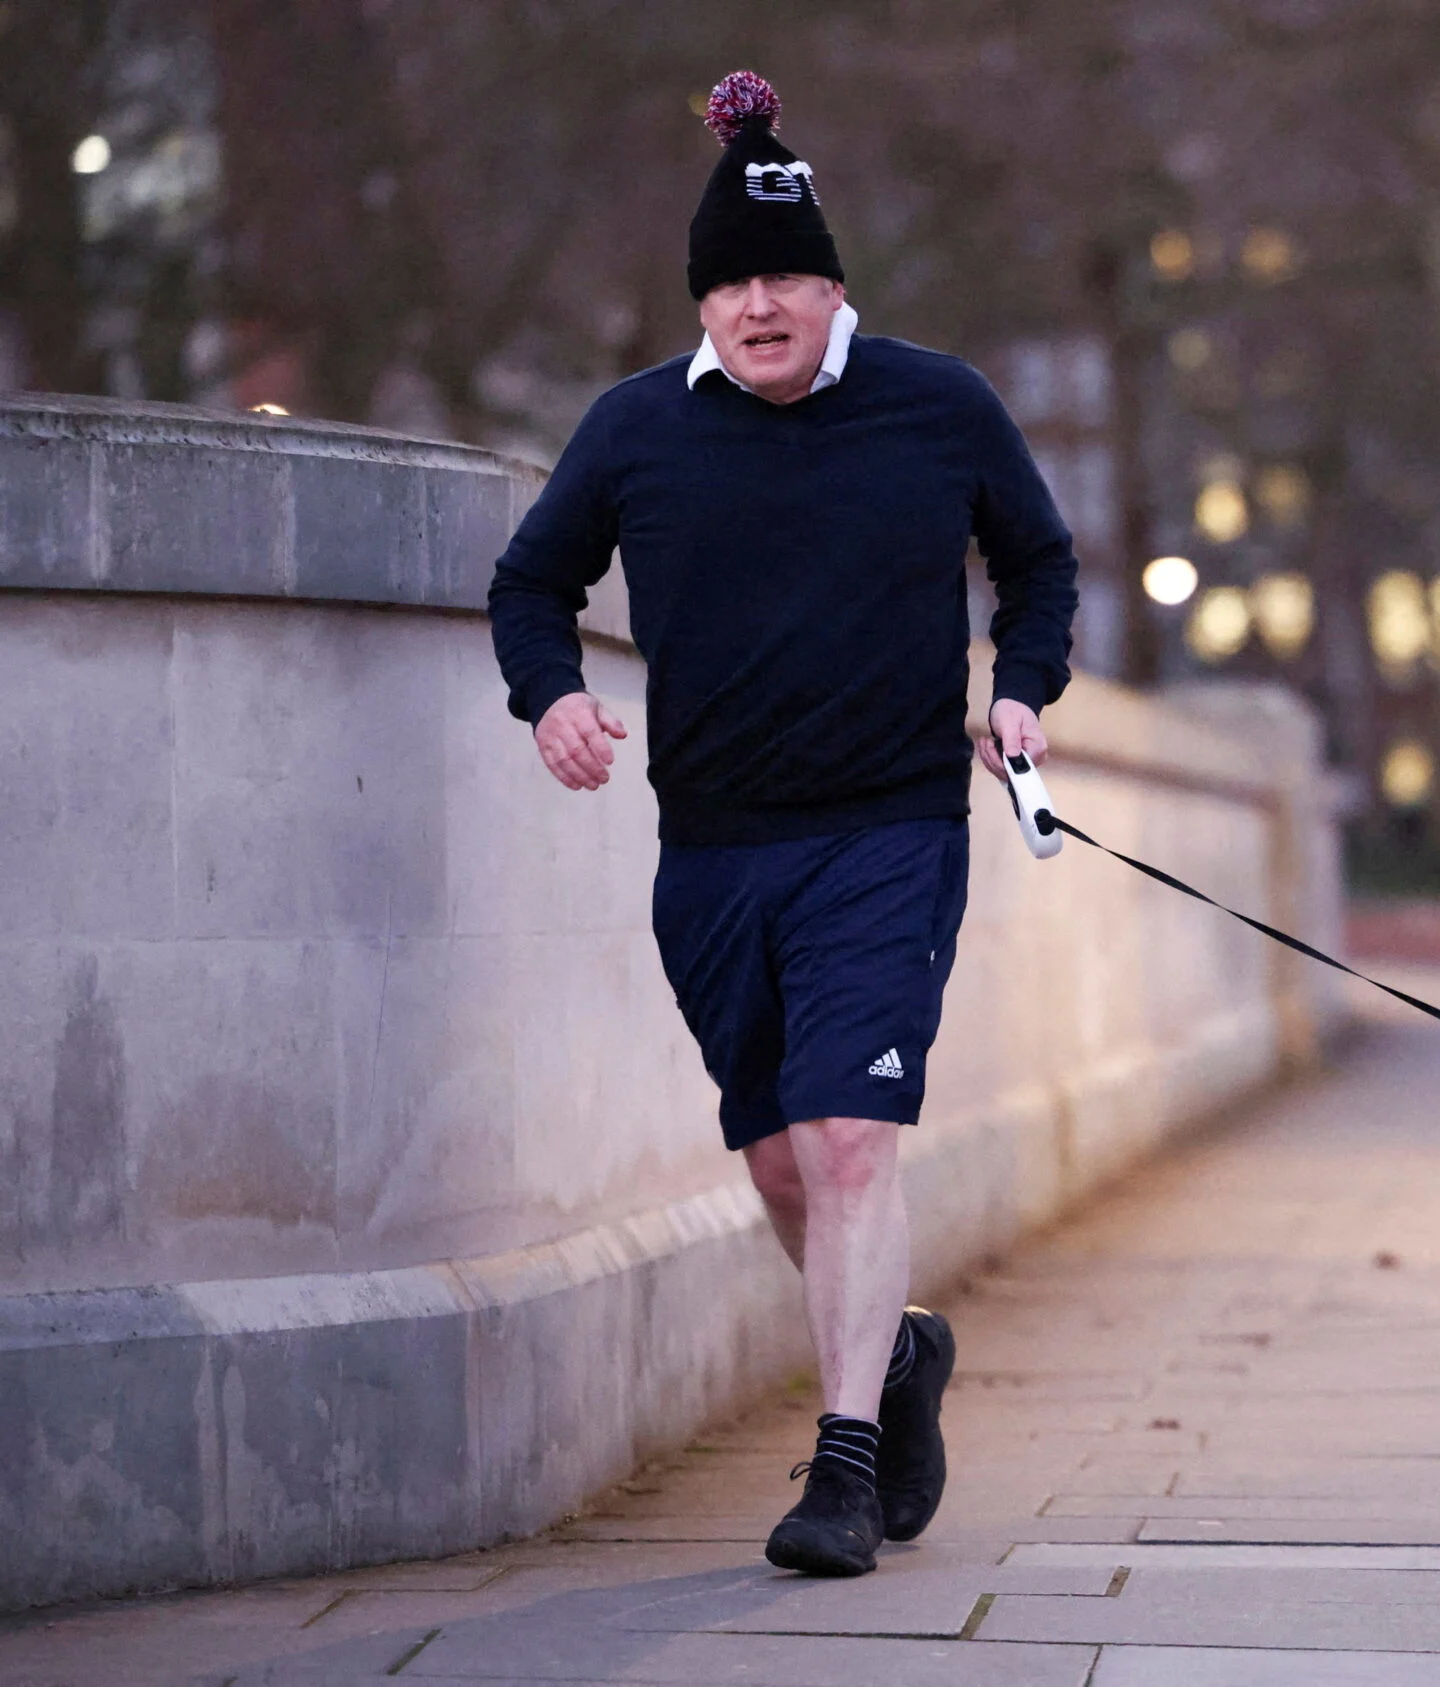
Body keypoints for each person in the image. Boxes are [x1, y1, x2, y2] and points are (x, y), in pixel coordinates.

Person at [486, 70, 1077, 1578]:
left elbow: (1038, 562)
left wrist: (1021, 689)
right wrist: (550, 697)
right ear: (703, 302)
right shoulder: (636, 430)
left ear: (833, 290)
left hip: (889, 833)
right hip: (714, 852)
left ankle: (844, 1465)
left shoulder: (939, 405)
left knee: (849, 1138)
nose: (759, 306)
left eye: (785, 279)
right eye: (732, 284)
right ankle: (900, 1355)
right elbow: (531, 583)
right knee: (778, 1165)